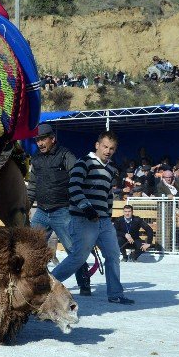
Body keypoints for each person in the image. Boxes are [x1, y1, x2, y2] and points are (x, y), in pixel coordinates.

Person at [52, 130, 134, 305]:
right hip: (83, 219)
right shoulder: (84, 163)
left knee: (113, 255)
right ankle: (47, 284)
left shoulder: (111, 169)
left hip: (103, 221)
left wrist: (108, 215)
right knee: (78, 258)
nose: (108, 151)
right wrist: (86, 208)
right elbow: (73, 187)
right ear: (97, 145)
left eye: (112, 148)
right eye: (105, 146)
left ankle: (115, 293)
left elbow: (108, 195)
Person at [27, 123, 91, 296]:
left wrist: (81, 204)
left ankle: (84, 283)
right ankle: (33, 284)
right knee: (31, 249)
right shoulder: (36, 158)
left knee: (73, 250)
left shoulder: (66, 155)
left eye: (42, 139)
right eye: (37, 140)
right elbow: (32, 185)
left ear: (52, 139)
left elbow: (78, 179)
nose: (39, 143)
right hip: (41, 212)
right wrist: (25, 205)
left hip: (62, 211)